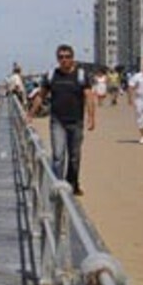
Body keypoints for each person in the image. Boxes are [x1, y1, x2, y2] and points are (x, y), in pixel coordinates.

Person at [28, 44, 95, 196]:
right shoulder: (52, 75)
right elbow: (41, 95)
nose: (64, 60)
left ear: (72, 58)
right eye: (61, 57)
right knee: (58, 155)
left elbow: (89, 97)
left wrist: (92, 117)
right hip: (57, 121)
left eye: (67, 57)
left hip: (76, 121)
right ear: (57, 59)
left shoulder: (81, 75)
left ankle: (73, 183)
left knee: (74, 156)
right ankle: (57, 186)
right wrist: (30, 114)